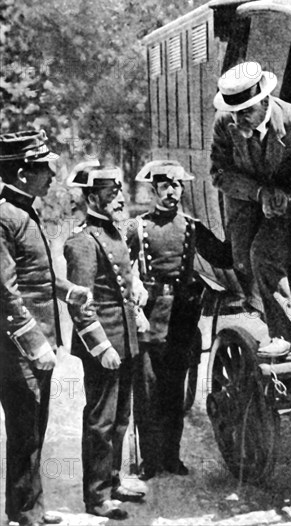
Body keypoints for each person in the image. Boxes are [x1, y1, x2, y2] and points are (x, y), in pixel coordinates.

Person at [0, 130, 92, 526]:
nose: (52, 177)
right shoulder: (5, 215)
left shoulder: (24, 210)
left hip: (37, 343)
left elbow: (33, 274)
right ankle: (26, 513)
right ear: (23, 172)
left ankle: (28, 507)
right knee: (26, 431)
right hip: (19, 346)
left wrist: (67, 290)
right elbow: (5, 290)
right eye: (43, 168)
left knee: (36, 428)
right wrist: (35, 341)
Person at [210, 61, 291, 357]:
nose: (240, 118)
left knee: (265, 256)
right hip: (247, 203)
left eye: (247, 111)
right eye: (235, 111)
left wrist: (286, 194)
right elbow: (219, 173)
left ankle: (283, 334)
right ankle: (271, 318)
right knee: (245, 264)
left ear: (265, 101)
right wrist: (260, 192)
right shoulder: (225, 123)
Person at [127, 159, 233, 481]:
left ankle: (171, 458)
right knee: (147, 393)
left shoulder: (191, 226)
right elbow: (119, 266)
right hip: (148, 319)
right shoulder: (137, 227)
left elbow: (224, 256)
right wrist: (131, 290)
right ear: (153, 190)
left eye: (176, 186)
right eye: (164, 186)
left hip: (182, 319)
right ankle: (150, 460)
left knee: (174, 391)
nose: (171, 192)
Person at [63, 161, 147, 520]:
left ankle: (113, 480)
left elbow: (126, 286)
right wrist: (102, 348)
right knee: (100, 421)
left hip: (126, 340)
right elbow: (81, 305)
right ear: (92, 196)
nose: (119, 198)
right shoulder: (81, 242)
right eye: (111, 193)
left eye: (119, 191)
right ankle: (96, 497)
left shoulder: (116, 233)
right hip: (105, 346)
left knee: (120, 418)